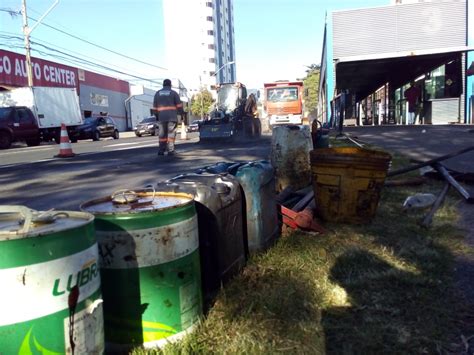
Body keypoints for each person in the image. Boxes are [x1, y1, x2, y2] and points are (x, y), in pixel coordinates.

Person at [153, 79, 184, 156]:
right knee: (171, 134)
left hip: (161, 117)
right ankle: (170, 150)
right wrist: (181, 114)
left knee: (162, 134)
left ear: (163, 85)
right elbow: (179, 106)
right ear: (170, 85)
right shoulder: (173, 93)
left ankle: (161, 150)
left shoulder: (157, 94)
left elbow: (154, 107)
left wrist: (157, 116)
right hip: (172, 117)